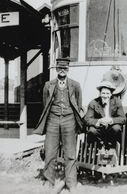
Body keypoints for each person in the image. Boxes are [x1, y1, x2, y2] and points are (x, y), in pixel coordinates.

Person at [34, 57, 83, 192]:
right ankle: (50, 182)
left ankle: (71, 183)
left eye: (65, 68)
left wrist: (72, 118)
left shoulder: (75, 85)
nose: (62, 71)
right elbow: (46, 104)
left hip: (69, 120)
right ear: (56, 69)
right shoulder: (48, 85)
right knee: (50, 152)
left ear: (68, 69)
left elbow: (78, 105)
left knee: (70, 154)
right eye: (60, 68)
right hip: (53, 120)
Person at [84, 80, 126, 149]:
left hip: (111, 130)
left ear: (111, 94)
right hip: (99, 129)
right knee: (92, 130)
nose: (105, 96)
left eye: (107, 93)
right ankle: (99, 146)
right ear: (100, 94)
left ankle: (112, 145)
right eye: (103, 93)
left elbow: (123, 118)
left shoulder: (117, 102)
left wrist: (111, 120)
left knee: (116, 128)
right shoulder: (93, 103)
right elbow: (87, 119)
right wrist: (98, 121)